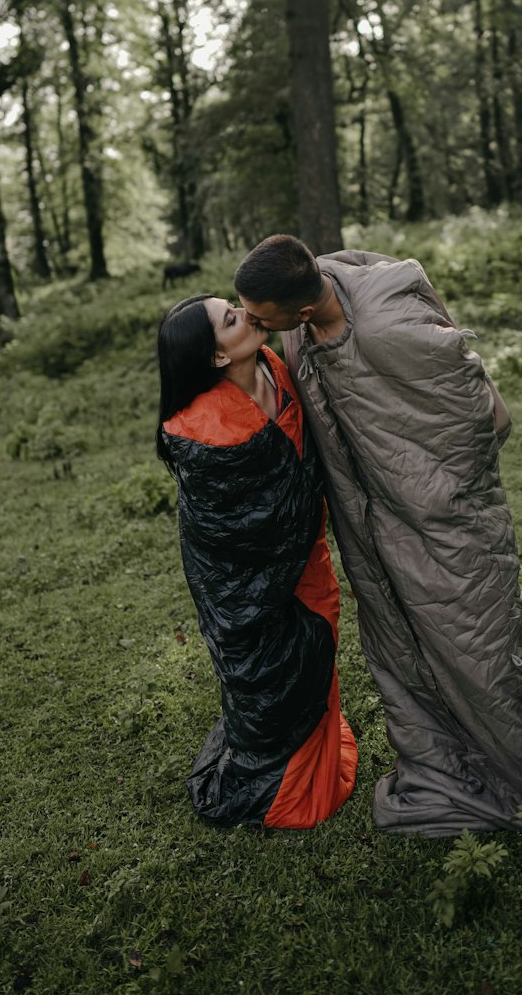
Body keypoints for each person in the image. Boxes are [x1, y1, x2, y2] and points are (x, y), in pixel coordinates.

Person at [235, 237, 522, 837]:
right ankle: (437, 767)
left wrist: (424, 501)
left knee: (472, 644)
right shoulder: (307, 313)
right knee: (399, 645)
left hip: (440, 521)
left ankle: (516, 781)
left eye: (259, 317)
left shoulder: (389, 330)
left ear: (301, 312)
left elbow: (479, 419)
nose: (252, 324)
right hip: (370, 522)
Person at [156, 293, 357, 829]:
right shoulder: (204, 432)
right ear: (218, 357)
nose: (246, 314)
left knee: (314, 649)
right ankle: (281, 788)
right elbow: (241, 526)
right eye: (231, 319)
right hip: (243, 584)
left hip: (303, 563)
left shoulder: (273, 363)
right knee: (276, 670)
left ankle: (314, 761)